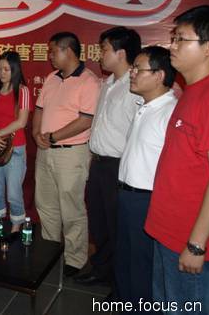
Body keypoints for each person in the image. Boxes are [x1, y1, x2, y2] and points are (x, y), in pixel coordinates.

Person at [145, 5, 209, 315]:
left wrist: (197, 244)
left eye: (181, 39)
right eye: (173, 38)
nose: (172, 46)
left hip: (189, 241)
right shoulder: (193, 92)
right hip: (169, 232)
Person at [75, 27, 141, 287]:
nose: (99, 55)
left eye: (104, 49)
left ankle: (120, 282)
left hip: (119, 166)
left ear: (121, 53)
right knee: (99, 222)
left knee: (117, 226)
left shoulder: (136, 87)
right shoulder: (107, 83)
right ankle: (102, 270)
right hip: (99, 163)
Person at [33, 32, 101, 276]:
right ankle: (50, 252)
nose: (50, 56)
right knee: (46, 205)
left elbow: (85, 120)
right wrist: (36, 133)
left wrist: (53, 137)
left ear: (68, 51)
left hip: (71, 154)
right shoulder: (52, 78)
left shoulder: (89, 81)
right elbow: (39, 110)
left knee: (71, 208)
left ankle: (75, 259)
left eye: (53, 51)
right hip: (45, 151)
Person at [114, 46, 177, 306]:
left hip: (147, 200)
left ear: (159, 75)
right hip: (127, 195)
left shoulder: (170, 112)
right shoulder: (144, 106)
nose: (132, 73)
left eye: (138, 69)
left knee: (142, 265)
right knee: (125, 259)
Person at [0, 51, 32, 232]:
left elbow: (21, 122)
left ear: (15, 70)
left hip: (15, 148)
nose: (1, 73)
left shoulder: (23, 91)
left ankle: (17, 226)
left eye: (6, 69)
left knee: (13, 193)